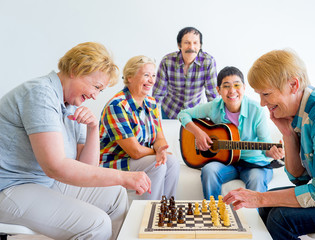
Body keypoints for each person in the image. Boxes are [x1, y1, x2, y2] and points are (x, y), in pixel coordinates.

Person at [0, 42, 152, 240]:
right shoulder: (40, 94)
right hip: (11, 188)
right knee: (96, 225)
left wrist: (93, 129)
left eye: (100, 90)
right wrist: (123, 177)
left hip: (44, 183)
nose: (94, 96)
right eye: (95, 87)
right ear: (74, 70)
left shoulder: (71, 104)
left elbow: (86, 168)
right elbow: (55, 167)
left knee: (116, 195)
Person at [223, 49, 315, 239]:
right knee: (268, 207)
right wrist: (287, 133)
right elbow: (299, 177)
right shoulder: (301, 113)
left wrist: (259, 197)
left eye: (266, 94)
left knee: (281, 218)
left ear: (293, 85)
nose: (262, 103)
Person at [177, 66, 284, 200]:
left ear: (244, 88)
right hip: (226, 163)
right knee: (209, 170)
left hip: (253, 164)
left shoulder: (257, 110)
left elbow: (266, 145)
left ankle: (252, 219)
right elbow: (183, 114)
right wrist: (198, 133)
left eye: (237, 85)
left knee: (256, 178)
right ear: (218, 90)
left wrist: (273, 152)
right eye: (226, 86)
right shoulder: (213, 106)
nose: (232, 91)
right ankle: (214, 213)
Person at [99, 55, 180, 201]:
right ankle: (150, 212)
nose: (152, 80)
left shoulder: (152, 102)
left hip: (139, 160)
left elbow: (159, 138)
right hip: (115, 162)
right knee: (157, 164)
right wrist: (158, 152)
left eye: (154, 75)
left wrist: (161, 150)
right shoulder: (117, 106)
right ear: (130, 77)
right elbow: (135, 151)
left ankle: (166, 210)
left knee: (172, 162)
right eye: (146, 75)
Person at [152, 26, 218, 119]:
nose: (191, 47)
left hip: (196, 113)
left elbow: (212, 95)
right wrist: (154, 119)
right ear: (179, 45)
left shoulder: (208, 62)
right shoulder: (167, 61)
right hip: (171, 111)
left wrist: (215, 121)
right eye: (187, 43)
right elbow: (158, 94)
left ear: (200, 46)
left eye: (195, 43)